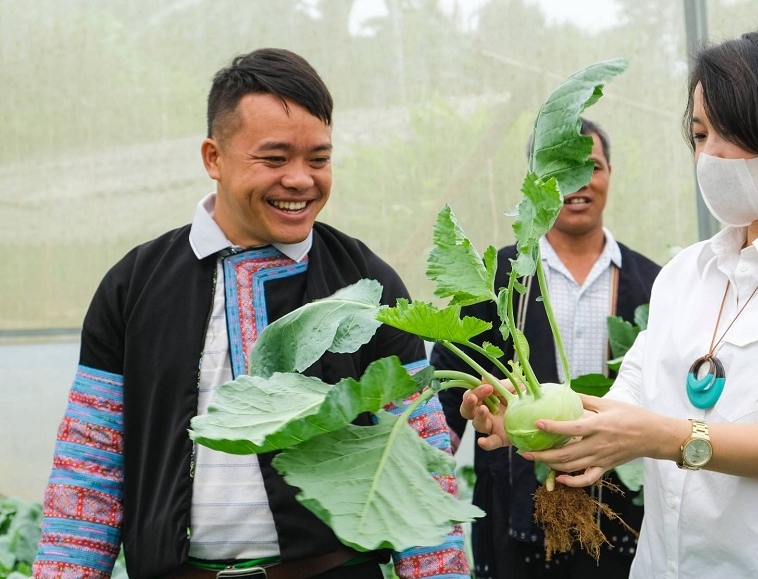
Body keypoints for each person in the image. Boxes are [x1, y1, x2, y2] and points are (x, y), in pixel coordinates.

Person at [461, 28, 758, 578]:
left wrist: (668, 438)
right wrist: (531, 411)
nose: (706, 156)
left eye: (725, 135)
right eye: (699, 134)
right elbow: (628, 401)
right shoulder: (688, 272)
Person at [33, 48, 469, 579]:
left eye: (318, 158)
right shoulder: (134, 285)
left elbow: (418, 459)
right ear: (213, 157)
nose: (301, 180)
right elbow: (91, 465)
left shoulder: (364, 285)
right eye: (275, 158)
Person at [433, 118, 661, 579]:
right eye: (562, 171)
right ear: (538, 183)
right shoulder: (494, 280)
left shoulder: (655, 283)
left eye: (591, 167)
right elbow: (446, 391)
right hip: (517, 518)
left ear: (610, 174)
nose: (578, 183)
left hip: (623, 520)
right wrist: (464, 416)